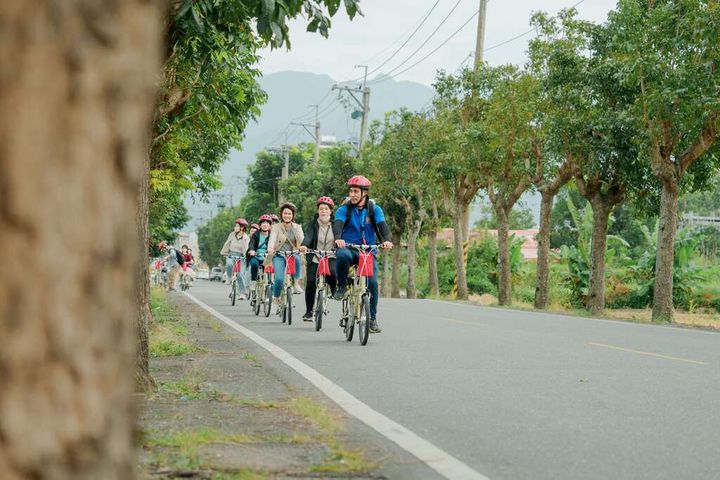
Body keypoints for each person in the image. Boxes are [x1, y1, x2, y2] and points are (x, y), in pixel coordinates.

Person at [333, 175, 393, 333]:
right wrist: (338, 239)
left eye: (356, 191)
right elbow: (337, 224)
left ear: (364, 193)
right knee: (342, 256)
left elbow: (382, 225)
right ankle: (341, 286)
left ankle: (372, 319)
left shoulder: (374, 209)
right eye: (351, 191)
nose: (352, 194)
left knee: (372, 284)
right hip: (349, 248)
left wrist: (387, 240)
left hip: (368, 251)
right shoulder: (344, 209)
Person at [300, 196, 338, 322]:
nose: (323, 211)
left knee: (332, 273)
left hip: (331, 255)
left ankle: (334, 290)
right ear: (318, 211)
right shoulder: (313, 223)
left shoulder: (336, 224)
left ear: (330, 211)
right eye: (321, 209)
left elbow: (340, 236)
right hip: (315, 255)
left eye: (326, 209)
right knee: (311, 282)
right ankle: (309, 311)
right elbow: (308, 236)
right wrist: (304, 246)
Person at [267, 202, 304, 313]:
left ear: (293, 215)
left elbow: (302, 240)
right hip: (278, 255)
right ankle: (276, 299)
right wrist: (270, 247)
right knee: (278, 279)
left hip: (292, 254)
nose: (287, 215)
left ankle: (296, 283)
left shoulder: (297, 227)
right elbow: (272, 238)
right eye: (285, 213)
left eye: (289, 213)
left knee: (297, 257)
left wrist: (303, 246)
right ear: (281, 214)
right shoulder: (275, 227)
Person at [221, 218, 250, 300]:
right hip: (231, 254)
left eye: (237, 226)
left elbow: (247, 249)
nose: (235, 227)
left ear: (242, 227)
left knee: (240, 275)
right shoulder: (232, 234)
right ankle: (229, 277)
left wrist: (246, 257)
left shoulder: (246, 238)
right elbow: (227, 243)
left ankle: (242, 293)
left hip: (241, 256)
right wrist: (225, 253)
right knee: (229, 264)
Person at [247, 214, 273, 292]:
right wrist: (252, 250)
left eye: (267, 223)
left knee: (269, 269)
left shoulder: (272, 235)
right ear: (260, 225)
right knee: (254, 265)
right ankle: (253, 282)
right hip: (255, 256)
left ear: (270, 225)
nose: (265, 225)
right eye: (263, 223)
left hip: (267, 257)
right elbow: (251, 243)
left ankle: (269, 286)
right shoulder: (255, 234)